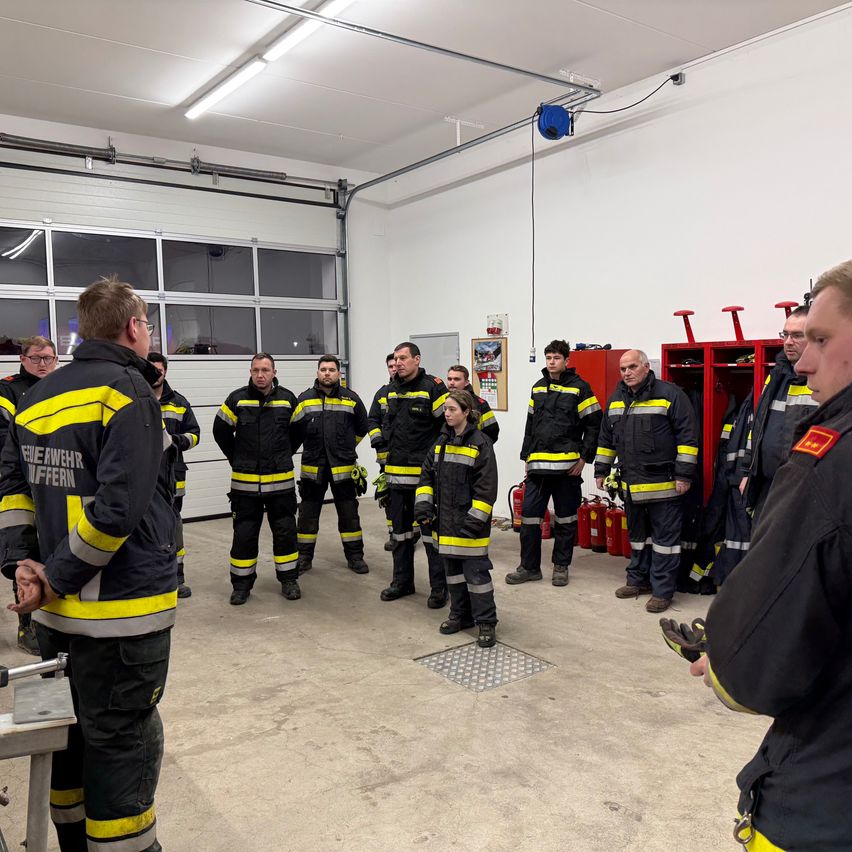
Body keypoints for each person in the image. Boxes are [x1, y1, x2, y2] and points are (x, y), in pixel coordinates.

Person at [0, 276, 175, 852]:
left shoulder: (36, 397)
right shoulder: (128, 392)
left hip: (48, 621)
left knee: (66, 740)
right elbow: (118, 510)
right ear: (132, 327)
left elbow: (13, 492)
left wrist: (23, 566)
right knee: (123, 739)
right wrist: (56, 575)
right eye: (148, 324)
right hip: (123, 616)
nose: (148, 334)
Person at [686, 261, 852, 850]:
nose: (802, 361)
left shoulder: (830, 459)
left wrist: (726, 655)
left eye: (822, 340)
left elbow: (773, 621)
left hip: (828, 796)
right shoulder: (778, 392)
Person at [594, 349, 699, 613]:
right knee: (638, 539)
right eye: (622, 369)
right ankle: (638, 581)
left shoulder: (671, 395)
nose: (626, 373)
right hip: (631, 488)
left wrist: (684, 475)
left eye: (632, 367)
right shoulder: (616, 399)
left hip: (664, 487)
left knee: (665, 543)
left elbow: (688, 438)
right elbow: (606, 439)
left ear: (645, 367)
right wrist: (601, 470)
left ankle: (663, 591)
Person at [507, 339, 601, 588]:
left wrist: (584, 458)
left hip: (567, 469)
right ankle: (529, 567)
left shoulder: (580, 388)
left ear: (567, 361)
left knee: (566, 519)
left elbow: (594, 425)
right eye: (548, 357)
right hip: (538, 467)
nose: (551, 362)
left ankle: (561, 566)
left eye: (556, 358)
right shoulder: (537, 388)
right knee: (528, 518)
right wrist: (527, 456)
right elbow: (530, 425)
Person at [213, 353, 300, 604]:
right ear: (250, 372)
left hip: (281, 483)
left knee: (285, 532)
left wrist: (283, 454)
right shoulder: (236, 399)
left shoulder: (288, 399)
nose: (260, 375)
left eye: (265, 370)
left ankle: (289, 580)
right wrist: (237, 457)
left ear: (274, 372)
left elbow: (300, 430)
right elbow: (220, 430)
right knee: (244, 535)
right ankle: (241, 586)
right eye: (255, 370)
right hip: (245, 485)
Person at [415, 389, 499, 647]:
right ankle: (460, 615)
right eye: (446, 409)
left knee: (477, 578)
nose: (447, 414)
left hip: (470, 527)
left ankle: (485, 622)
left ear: (466, 412)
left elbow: (487, 489)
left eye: (452, 409)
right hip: (446, 524)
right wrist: (424, 509)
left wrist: (474, 523)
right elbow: (426, 477)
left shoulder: (481, 443)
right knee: (453, 575)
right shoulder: (439, 443)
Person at [0, 334, 59, 654]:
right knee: (23, 551)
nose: (42, 364)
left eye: (48, 358)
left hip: (55, 484)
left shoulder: (63, 388)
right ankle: (27, 627)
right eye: (35, 358)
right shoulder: (7, 390)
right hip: (20, 486)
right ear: (22, 360)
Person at [380, 341, 449, 607]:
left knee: (431, 537)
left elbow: (447, 426)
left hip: (425, 480)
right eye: (395, 358)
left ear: (417, 359)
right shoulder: (390, 389)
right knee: (400, 536)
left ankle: (439, 589)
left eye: (403, 358)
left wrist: (435, 463)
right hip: (396, 478)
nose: (397, 363)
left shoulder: (433, 387)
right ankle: (402, 582)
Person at [291, 355, 370, 575]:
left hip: (343, 469)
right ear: (317, 373)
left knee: (349, 515)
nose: (327, 373)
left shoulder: (351, 399)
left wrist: (347, 446)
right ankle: (304, 558)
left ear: (339, 374)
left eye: (332, 370)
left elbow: (363, 427)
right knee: (307, 516)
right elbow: (294, 431)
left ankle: (355, 557)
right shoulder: (304, 400)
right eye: (323, 369)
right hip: (312, 469)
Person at [738, 305, 817, 523]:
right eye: (785, 334)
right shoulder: (775, 377)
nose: (788, 342)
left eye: (797, 335)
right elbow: (758, 427)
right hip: (766, 486)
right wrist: (747, 472)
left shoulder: (825, 381)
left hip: (805, 492)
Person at [148, 352, 201, 598]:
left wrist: (175, 441)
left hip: (172, 479)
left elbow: (195, 434)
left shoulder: (179, 402)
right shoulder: (133, 398)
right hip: (141, 479)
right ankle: (149, 580)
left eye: (159, 369)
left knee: (173, 528)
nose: (156, 373)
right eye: (151, 369)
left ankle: (176, 579)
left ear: (165, 371)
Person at [367, 353, 397, 552]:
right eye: (390, 366)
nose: (394, 368)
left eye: (397, 364)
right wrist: (379, 443)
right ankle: (394, 533)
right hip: (386, 459)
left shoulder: (418, 391)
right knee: (388, 496)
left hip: (413, 460)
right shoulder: (382, 394)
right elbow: (372, 421)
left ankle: (415, 532)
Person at [445, 364, 500, 444]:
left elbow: (492, 432)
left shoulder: (479, 404)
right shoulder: (443, 400)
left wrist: (477, 447)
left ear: (466, 382)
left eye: (457, 379)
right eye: (449, 379)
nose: (452, 383)